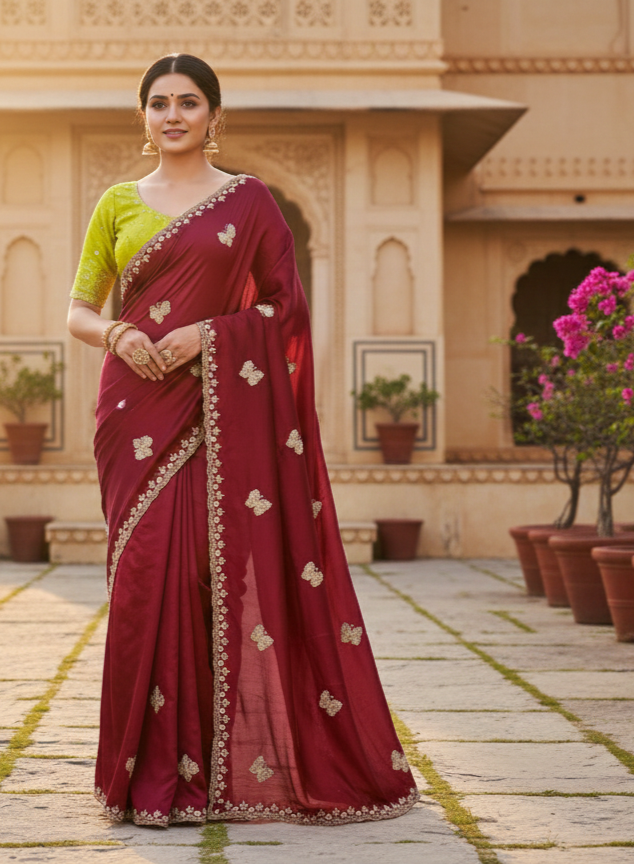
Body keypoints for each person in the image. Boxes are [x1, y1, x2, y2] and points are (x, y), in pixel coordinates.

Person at [67, 53, 418, 827]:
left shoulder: (251, 202)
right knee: (139, 581)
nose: (172, 116)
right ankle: (142, 777)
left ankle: (201, 774)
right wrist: (119, 336)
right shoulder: (118, 204)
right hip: (133, 413)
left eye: (188, 103)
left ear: (214, 115)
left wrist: (206, 337)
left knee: (200, 575)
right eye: (158, 103)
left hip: (213, 408)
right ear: (143, 116)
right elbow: (79, 309)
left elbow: (285, 311)